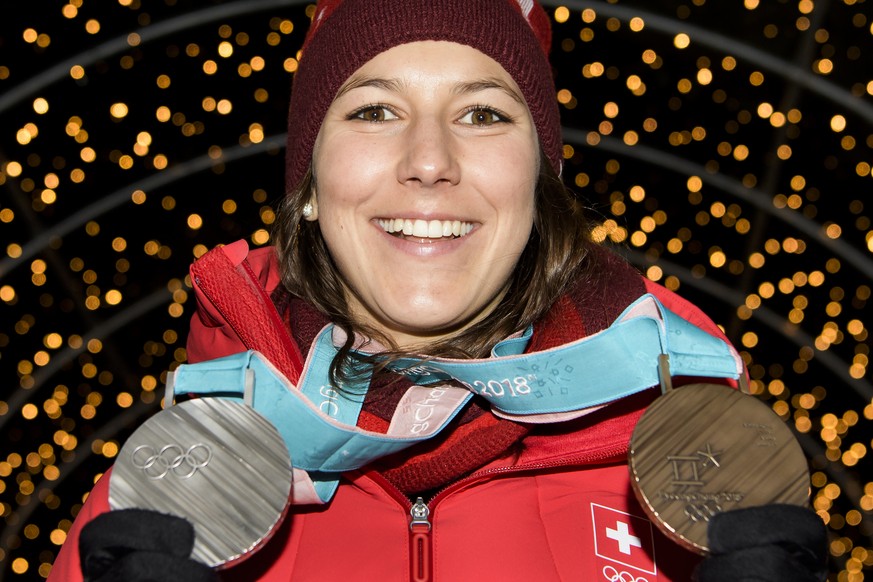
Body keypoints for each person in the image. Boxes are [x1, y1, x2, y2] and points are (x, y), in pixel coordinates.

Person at [48, 1, 828, 580]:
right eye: (375, 110)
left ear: (537, 185)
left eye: (483, 113)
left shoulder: (704, 467)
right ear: (310, 184)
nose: (429, 159)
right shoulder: (175, 487)